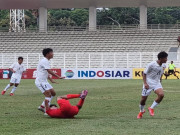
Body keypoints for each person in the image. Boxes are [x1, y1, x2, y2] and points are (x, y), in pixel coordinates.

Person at [137, 51, 168, 119]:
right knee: (143, 99)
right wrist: (145, 83)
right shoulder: (151, 64)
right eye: (165, 58)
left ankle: (151, 108)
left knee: (161, 95)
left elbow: (160, 73)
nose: (166, 59)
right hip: (148, 83)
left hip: (156, 83)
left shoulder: (164, 65)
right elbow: (144, 73)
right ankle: (141, 111)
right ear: (160, 58)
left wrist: (160, 80)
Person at [35, 48, 65, 114]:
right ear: (47, 54)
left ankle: (42, 106)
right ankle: (47, 110)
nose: (53, 54)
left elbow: (45, 72)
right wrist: (58, 76)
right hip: (40, 81)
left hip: (44, 81)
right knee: (48, 95)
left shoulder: (46, 61)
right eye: (52, 52)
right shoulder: (44, 61)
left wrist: (51, 80)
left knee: (53, 93)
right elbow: (49, 71)